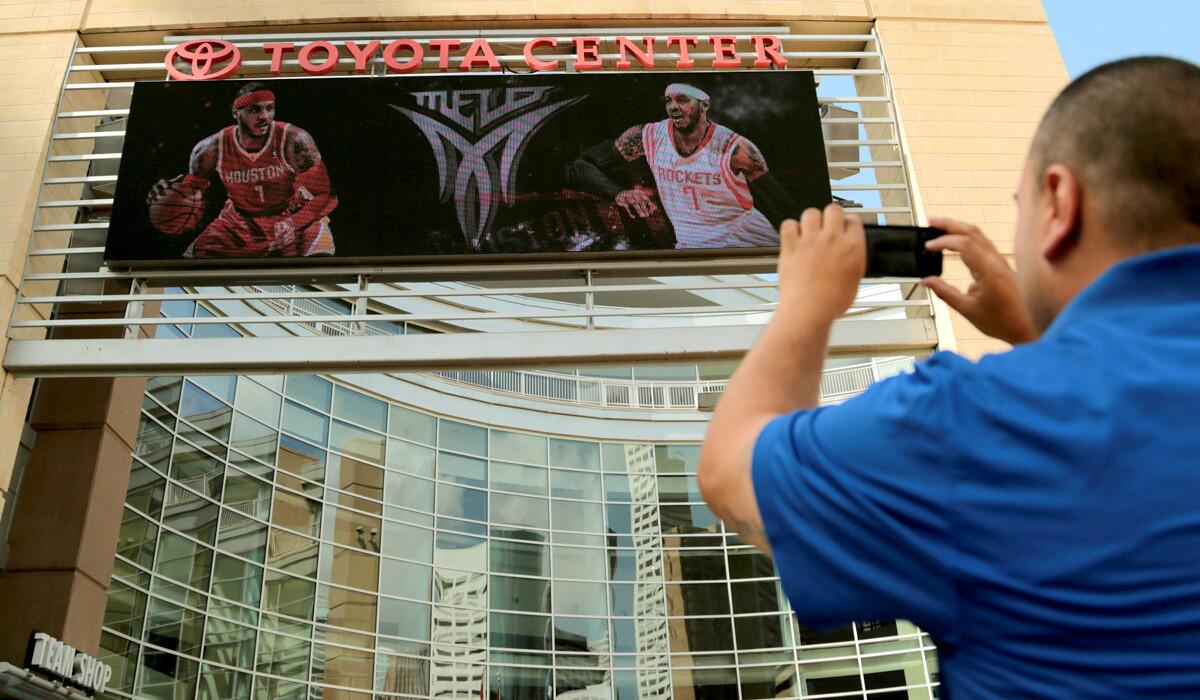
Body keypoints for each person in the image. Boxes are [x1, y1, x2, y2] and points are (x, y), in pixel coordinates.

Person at [698, 56, 1200, 698]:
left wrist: (806, 303)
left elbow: (728, 471)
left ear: (1060, 203)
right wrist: (1043, 338)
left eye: (1021, 205)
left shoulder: (974, 421)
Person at [566, 83, 796, 249]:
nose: (673, 107)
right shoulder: (647, 136)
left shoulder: (736, 148)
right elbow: (580, 166)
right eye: (669, 101)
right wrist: (618, 193)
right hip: (692, 243)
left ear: (704, 105)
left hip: (748, 240)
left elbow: (781, 205)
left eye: (682, 100)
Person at [147, 82, 338, 258]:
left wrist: (293, 222)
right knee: (188, 264)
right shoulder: (209, 149)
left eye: (269, 108)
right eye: (255, 109)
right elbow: (191, 191)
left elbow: (325, 195)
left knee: (321, 263)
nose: (265, 116)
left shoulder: (294, 140)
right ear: (236, 112)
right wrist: (171, 193)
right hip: (240, 221)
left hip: (292, 212)